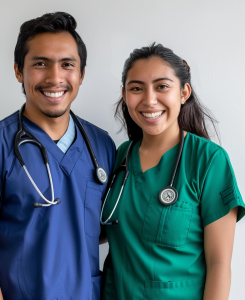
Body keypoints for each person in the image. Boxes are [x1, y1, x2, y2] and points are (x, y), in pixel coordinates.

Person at [0, 12, 115, 300]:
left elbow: (99, 228)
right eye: (40, 64)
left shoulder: (101, 146)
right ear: (18, 71)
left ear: (82, 74)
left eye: (67, 65)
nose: (55, 78)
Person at [100, 44, 245, 300]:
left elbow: (219, 265)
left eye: (162, 86)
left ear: (183, 92)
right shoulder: (120, 156)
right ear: (125, 95)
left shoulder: (208, 160)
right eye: (136, 88)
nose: (149, 99)